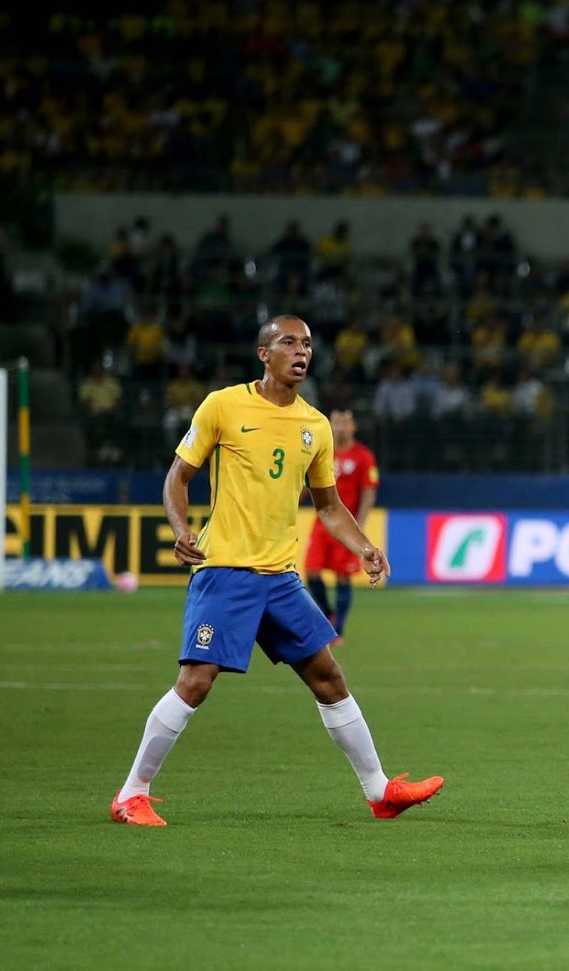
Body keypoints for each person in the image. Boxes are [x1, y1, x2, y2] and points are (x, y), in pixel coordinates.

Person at [109, 316, 442, 827]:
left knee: (329, 678)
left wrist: (364, 547)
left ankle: (380, 793)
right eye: (289, 342)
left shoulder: (316, 425)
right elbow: (178, 477)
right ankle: (131, 794)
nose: (301, 351)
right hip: (226, 571)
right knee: (196, 681)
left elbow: (329, 506)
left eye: (307, 344)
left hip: (280, 578)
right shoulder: (223, 405)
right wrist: (181, 528)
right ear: (264, 353)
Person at [304, 409, 380, 645]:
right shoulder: (322, 451)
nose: (339, 426)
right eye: (335, 421)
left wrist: (361, 523)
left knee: (343, 576)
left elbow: (369, 490)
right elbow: (308, 484)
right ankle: (328, 615)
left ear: (353, 427)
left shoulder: (363, 456)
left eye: (344, 422)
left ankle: (338, 628)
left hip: (346, 525)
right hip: (321, 522)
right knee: (311, 570)